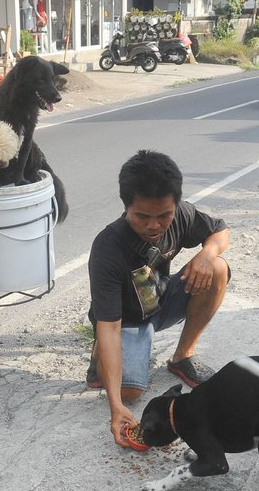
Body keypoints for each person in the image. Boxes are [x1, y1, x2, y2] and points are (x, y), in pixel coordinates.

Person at [87, 149, 230, 448]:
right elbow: (110, 328)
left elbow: (220, 231)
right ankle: (99, 358)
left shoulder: (182, 215)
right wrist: (116, 407)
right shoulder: (108, 248)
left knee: (217, 268)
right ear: (127, 208)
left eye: (164, 215)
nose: (154, 225)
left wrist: (207, 253)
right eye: (142, 217)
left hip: (160, 302)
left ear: (175, 205)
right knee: (130, 393)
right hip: (125, 321)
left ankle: (182, 357)